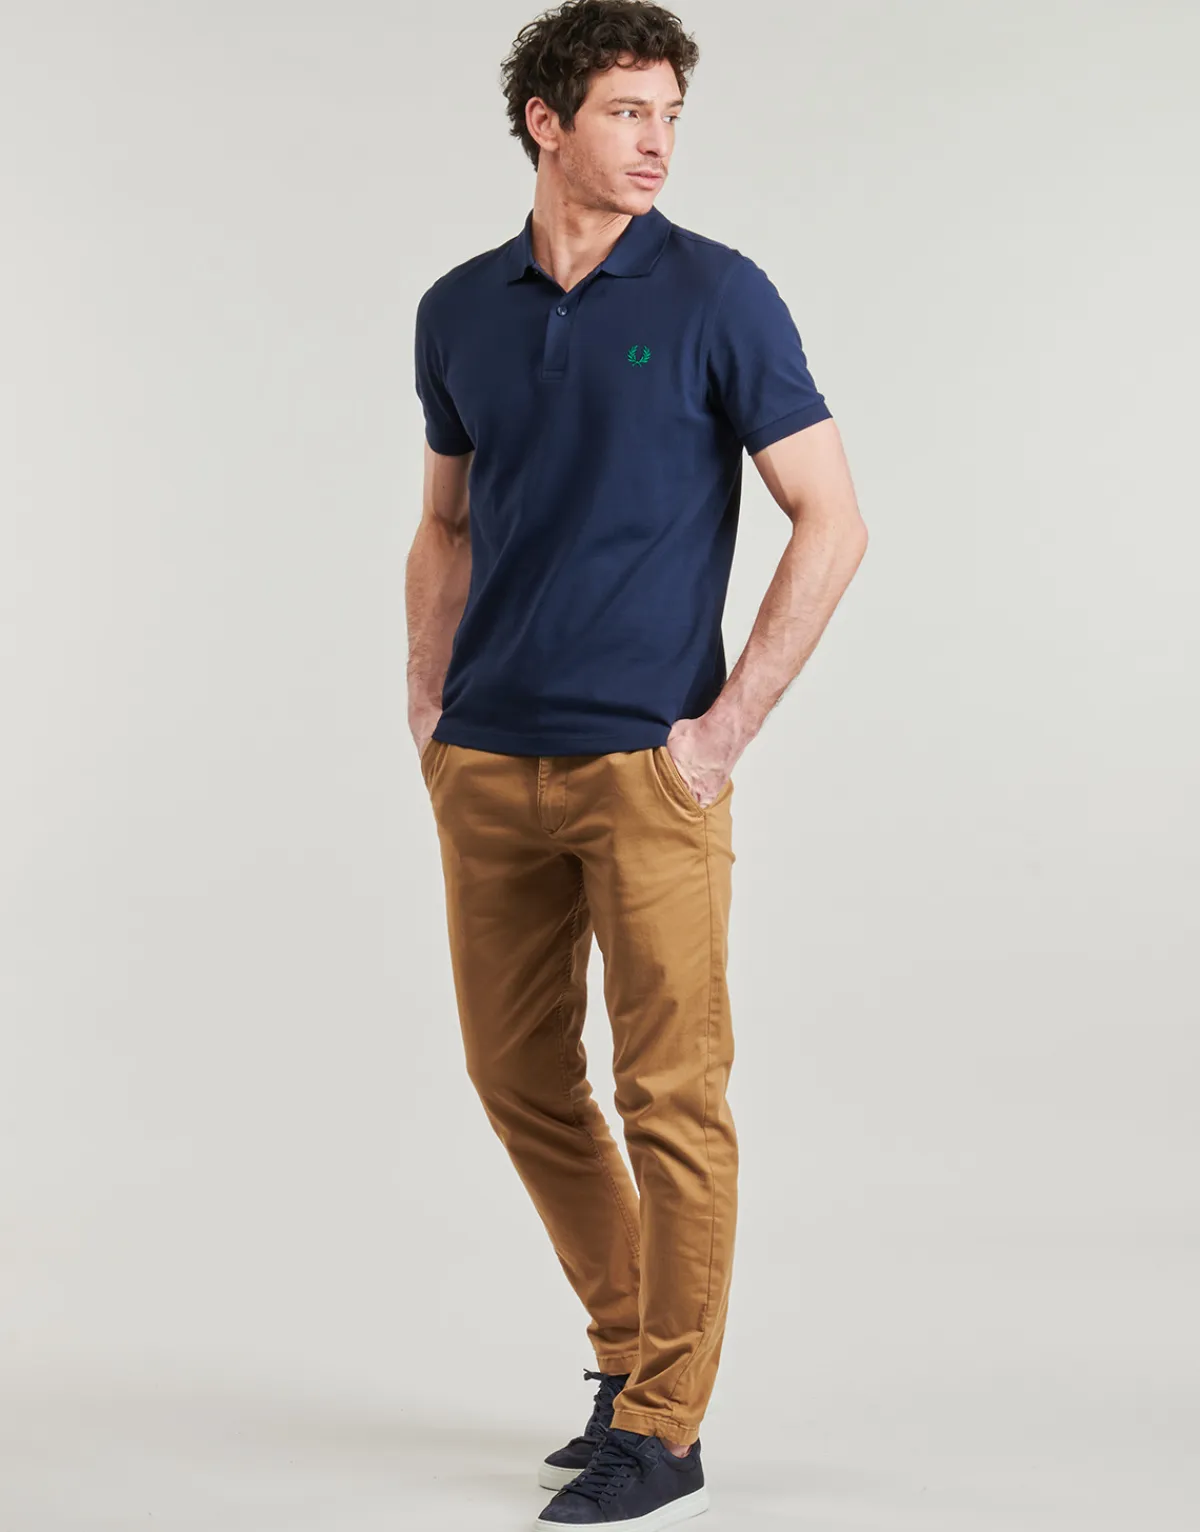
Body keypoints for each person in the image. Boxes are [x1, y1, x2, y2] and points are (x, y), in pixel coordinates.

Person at [406, 2, 867, 1525]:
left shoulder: (720, 293)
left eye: (669, 111)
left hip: (649, 772)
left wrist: (722, 733)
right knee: (516, 1075)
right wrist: (427, 707)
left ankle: (665, 1427)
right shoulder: (459, 309)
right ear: (545, 122)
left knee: (673, 1096)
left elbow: (833, 519)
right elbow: (445, 524)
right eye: (624, 110)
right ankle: (630, 1349)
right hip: (488, 763)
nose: (658, 139)